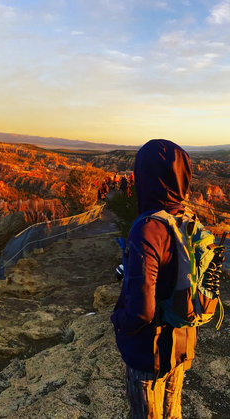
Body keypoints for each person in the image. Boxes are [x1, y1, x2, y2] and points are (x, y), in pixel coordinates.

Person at [110, 139, 222, 418]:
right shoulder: (186, 217)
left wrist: (119, 322)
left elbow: (141, 312)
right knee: (173, 413)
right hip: (182, 345)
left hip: (149, 352)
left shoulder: (148, 229)